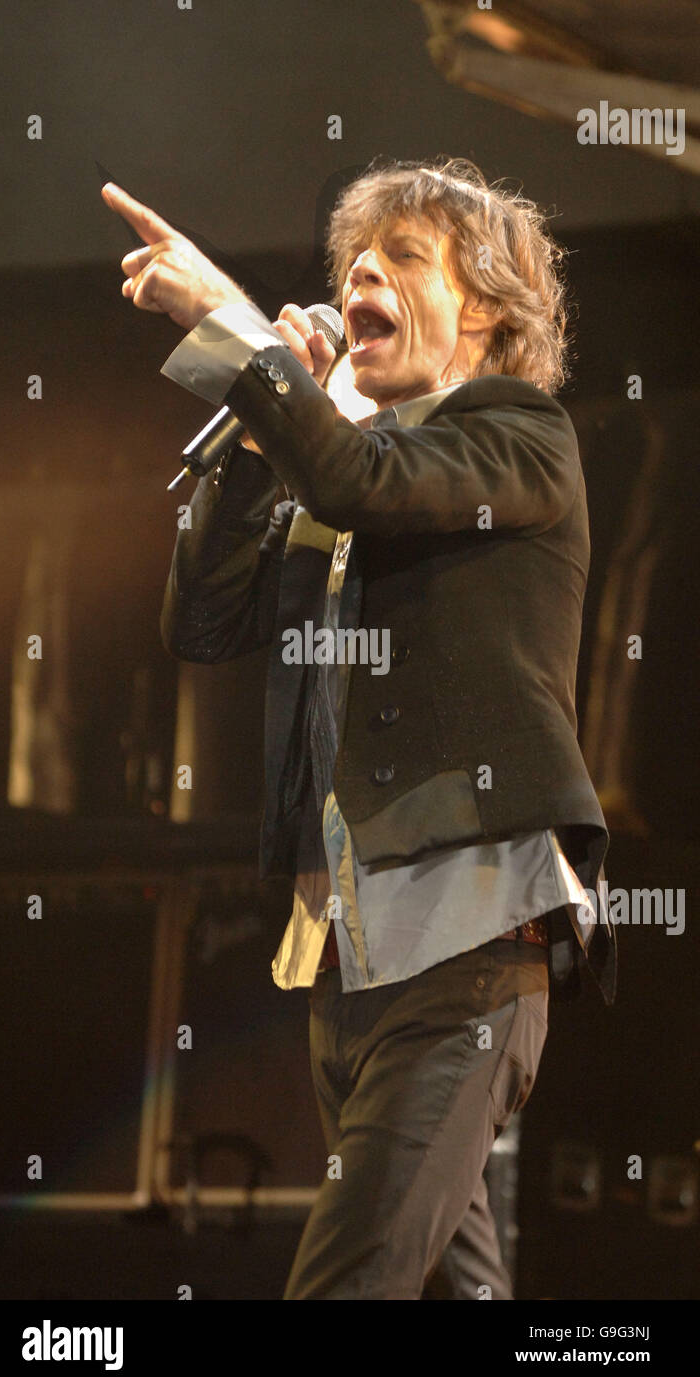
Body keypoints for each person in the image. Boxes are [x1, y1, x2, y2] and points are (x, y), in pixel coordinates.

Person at [102, 159, 617, 1300]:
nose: (360, 277)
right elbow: (202, 620)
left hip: (466, 955)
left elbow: (359, 481)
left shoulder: (519, 440)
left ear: (481, 307)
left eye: (402, 258)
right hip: (348, 964)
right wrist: (255, 422)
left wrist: (236, 337)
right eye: (352, 263)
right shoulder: (343, 464)